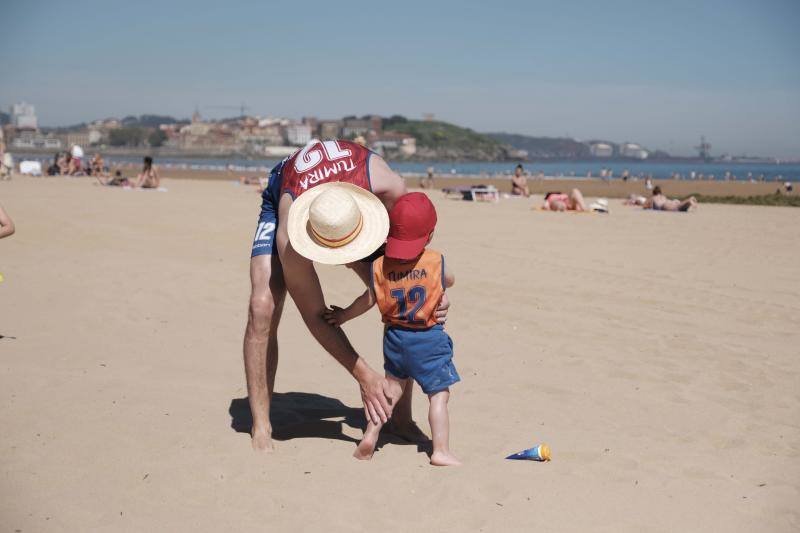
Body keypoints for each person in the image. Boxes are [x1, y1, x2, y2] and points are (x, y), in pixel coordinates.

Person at [244, 139, 449, 452]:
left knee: (394, 287)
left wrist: (436, 300)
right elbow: (315, 315)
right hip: (285, 191)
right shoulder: (291, 238)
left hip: (350, 198)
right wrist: (364, 374)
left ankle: (402, 418)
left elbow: (413, 266)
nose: (342, 260)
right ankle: (262, 424)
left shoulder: (390, 189)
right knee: (262, 308)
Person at [323, 193, 460, 465]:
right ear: (429, 234)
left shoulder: (379, 266)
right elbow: (450, 280)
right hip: (428, 340)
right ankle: (440, 451)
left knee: (391, 390)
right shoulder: (435, 261)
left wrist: (343, 317)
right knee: (438, 395)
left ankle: (370, 436)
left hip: (395, 339)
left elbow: (366, 301)